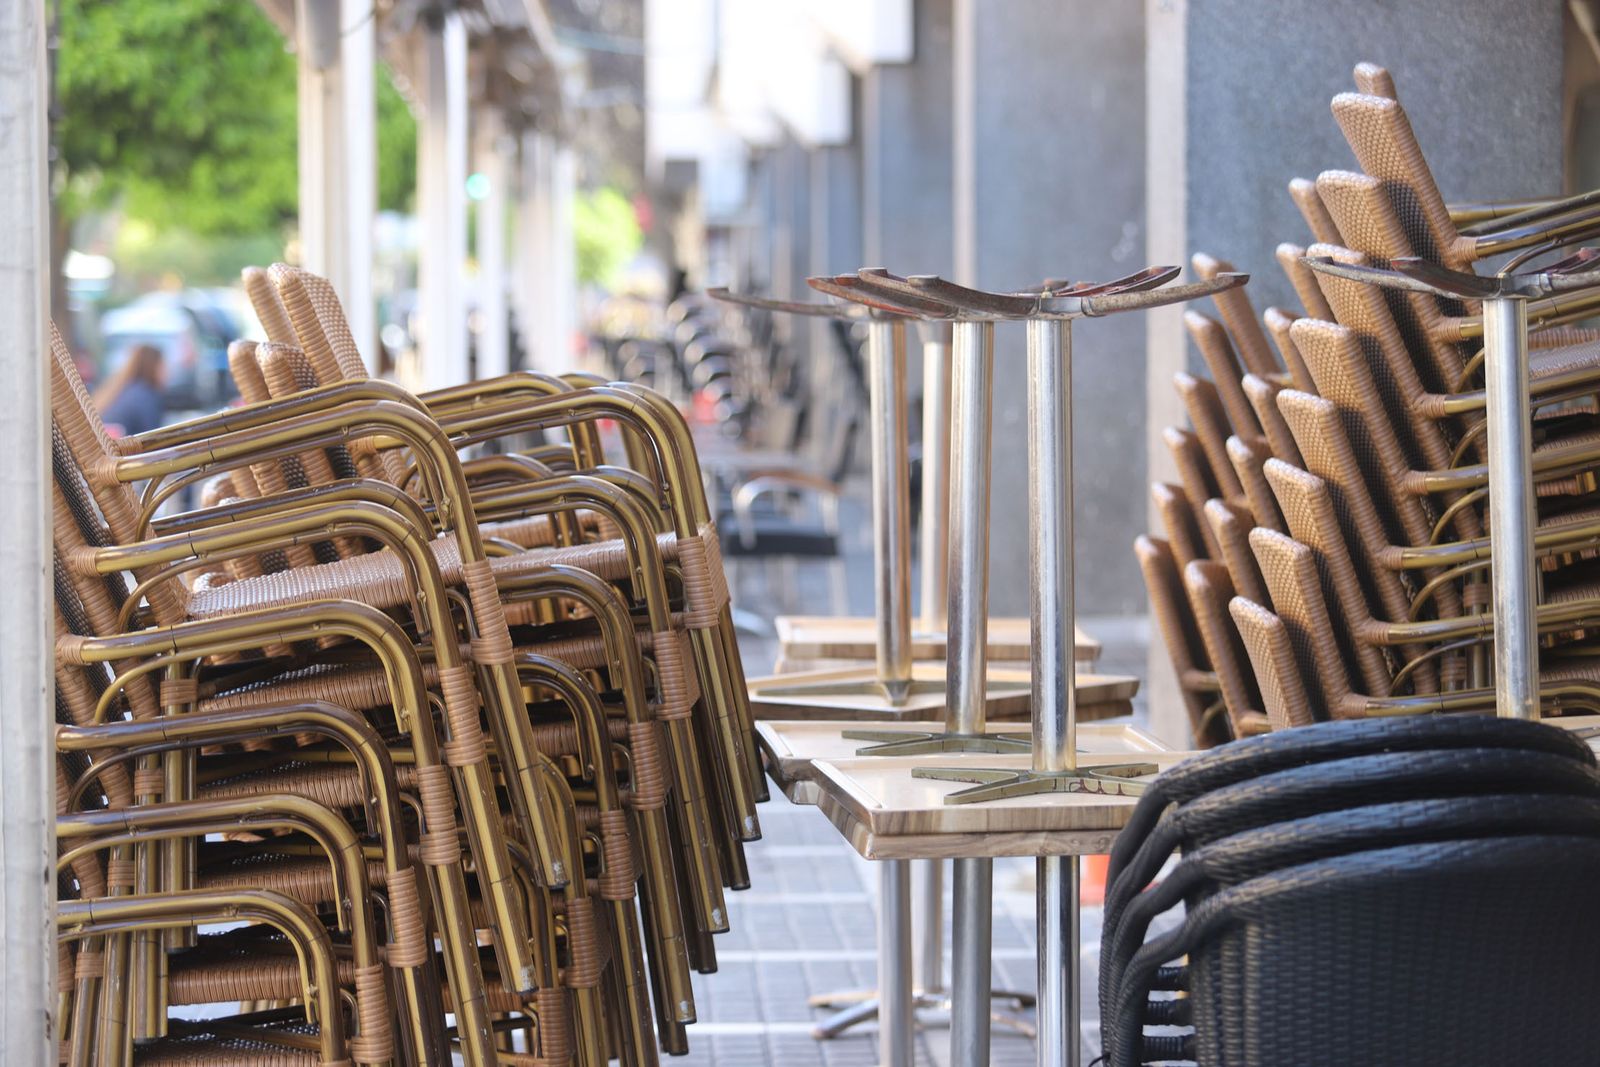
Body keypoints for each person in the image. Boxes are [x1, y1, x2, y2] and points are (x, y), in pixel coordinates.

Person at [94, 344, 167, 437]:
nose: (167, 371)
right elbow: (153, 439)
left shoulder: (122, 390)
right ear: (155, 367)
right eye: (163, 366)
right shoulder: (146, 397)